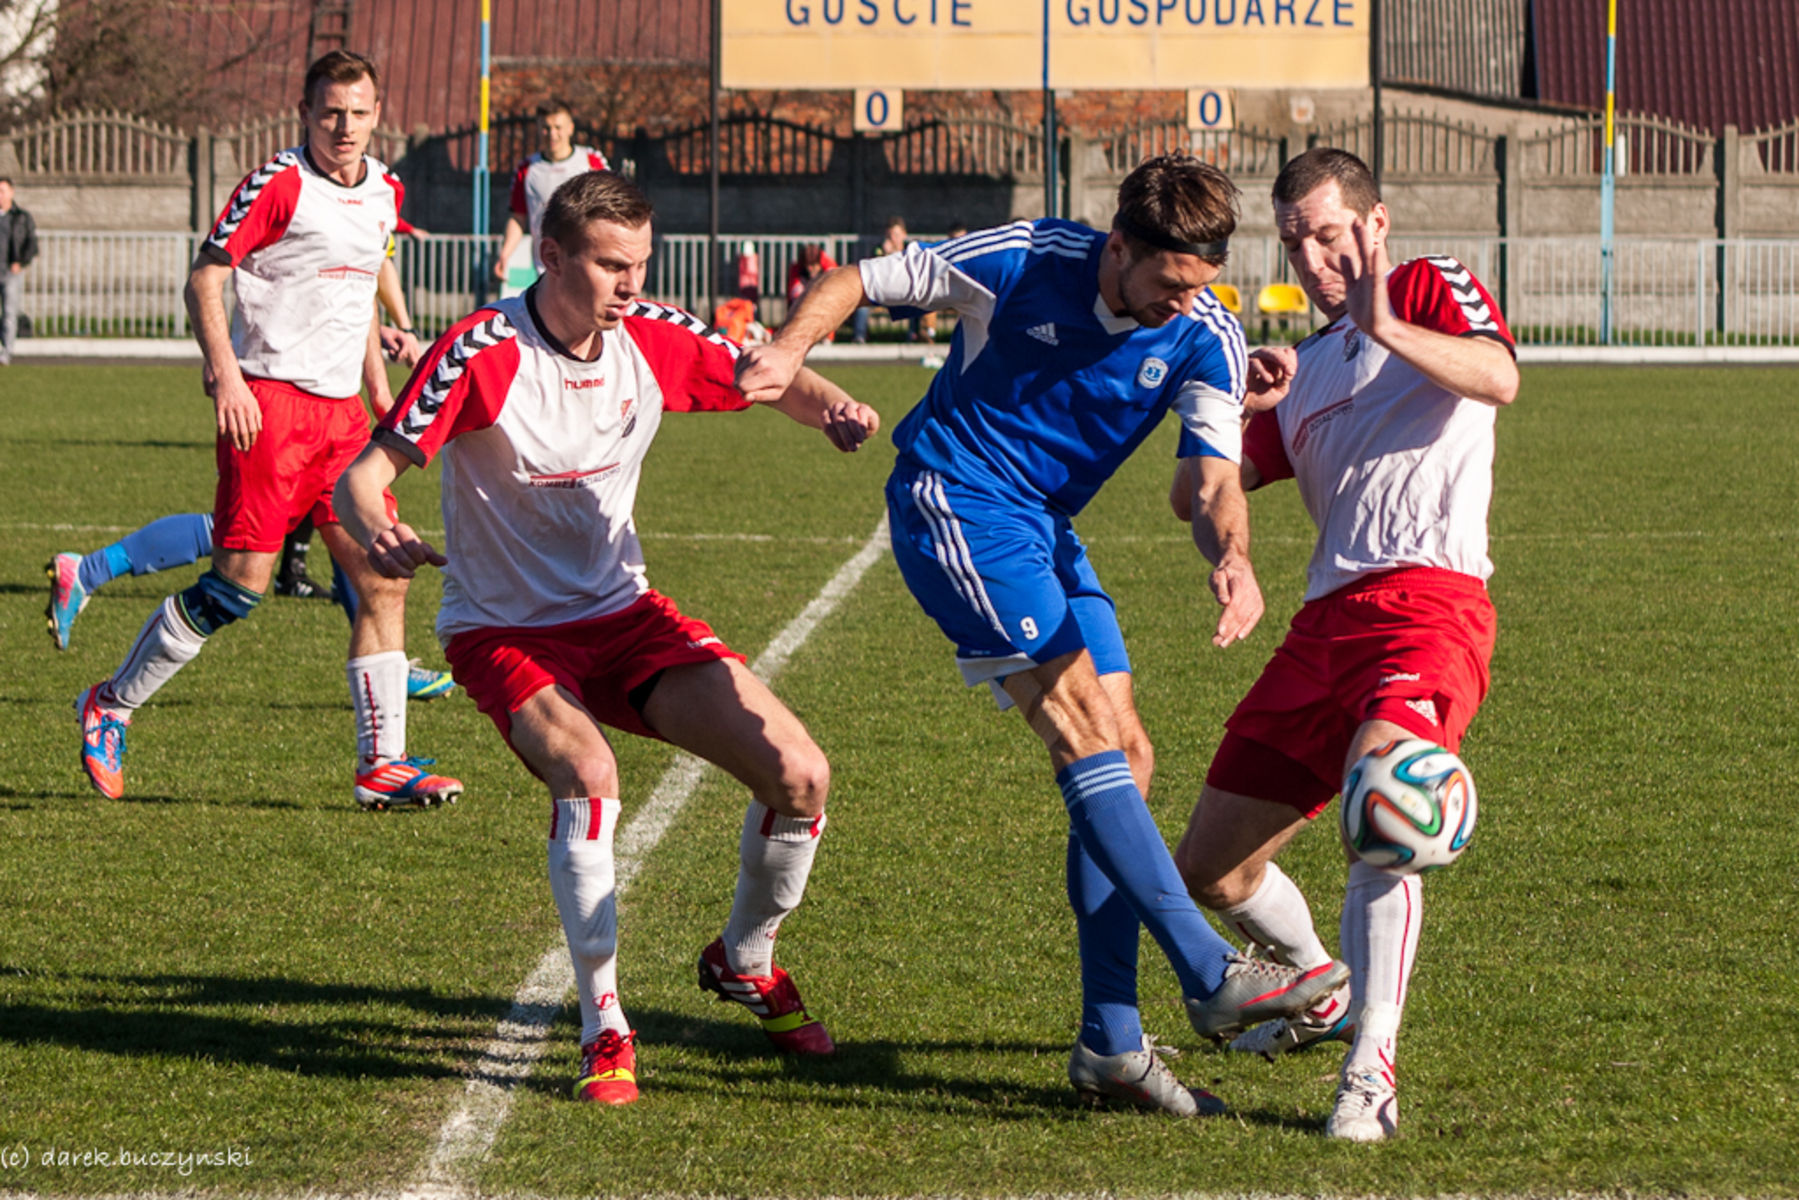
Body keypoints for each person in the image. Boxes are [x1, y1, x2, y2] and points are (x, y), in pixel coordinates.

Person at [736, 154, 1348, 1117]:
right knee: (1082, 730)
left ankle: (1110, 1042)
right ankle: (1204, 969)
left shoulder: (1204, 334)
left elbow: (1215, 479)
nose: (1183, 302)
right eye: (1167, 282)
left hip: (1046, 534)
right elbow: (862, 277)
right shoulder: (1025, 257)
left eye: (1201, 284)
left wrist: (1231, 555)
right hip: (955, 501)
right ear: (1118, 249)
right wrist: (787, 349)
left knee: (1129, 757)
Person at [334, 171, 880, 1105]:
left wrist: (827, 405)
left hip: (626, 619)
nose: (630, 285)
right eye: (610, 265)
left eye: (640, 263)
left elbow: (762, 369)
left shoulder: (652, 335)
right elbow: (367, 470)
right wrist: (376, 518)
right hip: (505, 632)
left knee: (801, 775)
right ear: (550, 257)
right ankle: (603, 1023)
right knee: (588, 776)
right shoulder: (481, 350)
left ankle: (744, 959)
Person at [1168, 147, 1519, 1142]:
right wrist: (1223, 433)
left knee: (1383, 813)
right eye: (1294, 242)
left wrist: (1386, 327)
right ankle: (1318, 984)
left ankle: (1370, 1070)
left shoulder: (1422, 287)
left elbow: (1497, 377)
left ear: (1373, 223)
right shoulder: (1301, 367)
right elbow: (1199, 490)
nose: (1315, 259)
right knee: (1210, 871)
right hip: (1322, 626)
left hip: (1429, 605)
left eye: (1327, 234)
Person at [71, 50, 463, 810]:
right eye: (329, 112)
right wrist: (225, 373)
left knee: (383, 576)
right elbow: (206, 275)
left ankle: (382, 765)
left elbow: (356, 300)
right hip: (271, 406)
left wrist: (379, 388)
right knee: (239, 587)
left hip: (341, 420)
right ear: (305, 114)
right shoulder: (280, 182)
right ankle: (111, 704)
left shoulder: (385, 189)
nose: (343, 126)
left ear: (379, 113)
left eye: (357, 111)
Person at [492, 99, 610, 288]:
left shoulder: (591, 162)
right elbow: (518, 217)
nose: (552, 134)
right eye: (546, 128)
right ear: (539, 130)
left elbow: (609, 210)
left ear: (570, 128)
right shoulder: (527, 168)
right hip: (546, 267)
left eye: (558, 127)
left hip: (587, 261)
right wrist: (505, 254)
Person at [848, 217, 909, 344]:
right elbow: (872, 272)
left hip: (904, 292)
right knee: (862, 305)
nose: (893, 239)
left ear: (904, 234)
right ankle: (859, 337)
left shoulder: (910, 250)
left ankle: (915, 336)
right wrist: (886, 256)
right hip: (882, 293)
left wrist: (895, 255)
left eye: (896, 235)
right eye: (889, 235)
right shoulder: (879, 250)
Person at [0, 176, 37, 366]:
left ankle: (6, 352)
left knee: (9, 312)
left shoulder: (21, 217)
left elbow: (32, 243)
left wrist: (20, 262)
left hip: (10, 273)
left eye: (2, 191)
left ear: (11, 192)